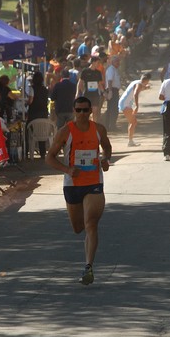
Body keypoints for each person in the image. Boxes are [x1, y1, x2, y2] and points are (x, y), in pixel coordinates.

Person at [45, 96, 112, 285]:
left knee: (91, 224)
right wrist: (67, 170)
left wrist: (106, 159)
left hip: (94, 182)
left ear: (91, 111)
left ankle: (88, 267)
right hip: (72, 184)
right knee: (78, 228)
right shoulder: (65, 132)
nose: (82, 114)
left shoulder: (98, 129)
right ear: (74, 111)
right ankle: (87, 253)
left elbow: (107, 147)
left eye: (85, 110)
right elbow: (49, 158)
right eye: (78, 110)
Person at [118, 73, 151, 146]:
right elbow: (136, 93)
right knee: (133, 122)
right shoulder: (138, 84)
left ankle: (130, 140)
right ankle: (130, 141)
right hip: (125, 104)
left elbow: (139, 89)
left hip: (125, 103)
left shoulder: (136, 82)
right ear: (147, 80)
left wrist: (145, 88)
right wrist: (136, 106)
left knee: (133, 122)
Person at [26, 71, 49, 159]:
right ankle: (42, 152)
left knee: (28, 131)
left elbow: (30, 101)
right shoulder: (45, 89)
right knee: (42, 132)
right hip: (43, 113)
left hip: (33, 113)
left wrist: (26, 102)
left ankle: (27, 150)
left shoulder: (32, 88)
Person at [77, 56, 105, 123]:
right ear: (93, 62)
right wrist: (77, 93)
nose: (98, 64)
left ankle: (94, 126)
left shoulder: (98, 72)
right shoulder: (85, 71)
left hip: (95, 94)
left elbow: (99, 84)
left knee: (95, 111)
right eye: (98, 62)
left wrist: (104, 92)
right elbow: (80, 82)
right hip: (87, 94)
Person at [104, 55, 121, 131]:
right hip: (112, 90)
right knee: (112, 108)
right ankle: (110, 126)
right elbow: (109, 81)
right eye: (116, 61)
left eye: (118, 61)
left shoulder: (115, 69)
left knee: (113, 108)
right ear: (112, 62)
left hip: (115, 90)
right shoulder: (111, 69)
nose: (118, 63)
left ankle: (111, 125)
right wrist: (110, 91)